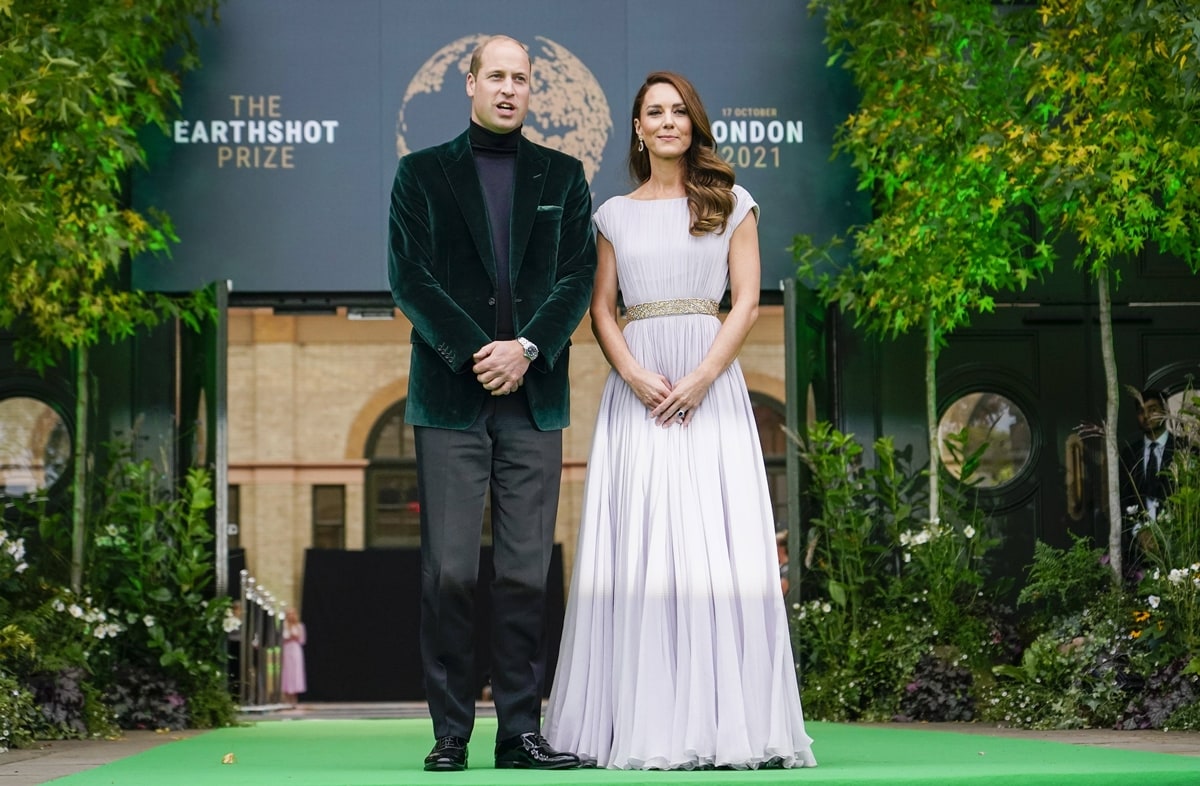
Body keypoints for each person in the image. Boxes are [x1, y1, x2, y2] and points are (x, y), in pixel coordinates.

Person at [542, 71, 817, 770]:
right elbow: (601, 307)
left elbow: (748, 302)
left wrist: (699, 380)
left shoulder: (732, 203)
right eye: (653, 112)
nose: (667, 122)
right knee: (642, 546)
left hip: (710, 387)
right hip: (636, 391)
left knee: (711, 547)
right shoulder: (611, 214)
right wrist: (633, 373)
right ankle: (639, 724)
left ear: (693, 123)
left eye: (677, 112)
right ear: (637, 128)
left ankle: (729, 726)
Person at [387, 34, 596, 772]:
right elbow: (411, 280)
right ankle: (450, 735)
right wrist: (483, 352)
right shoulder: (419, 174)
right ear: (469, 83)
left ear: (532, 90)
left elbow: (575, 280)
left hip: (534, 401)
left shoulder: (565, 176)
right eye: (496, 75)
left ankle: (520, 733)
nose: (509, 88)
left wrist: (527, 349)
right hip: (451, 398)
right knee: (447, 571)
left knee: (523, 574)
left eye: (522, 78)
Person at [1119, 389, 1177, 574]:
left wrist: (1167, 533)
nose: (1146, 416)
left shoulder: (1185, 449)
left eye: (1152, 409)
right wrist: (1139, 532)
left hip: (1179, 546)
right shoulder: (1128, 453)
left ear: (1165, 410)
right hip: (1138, 552)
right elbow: (1123, 499)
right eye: (1141, 411)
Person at [280, 607, 306, 705]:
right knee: (287, 672)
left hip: (295, 650)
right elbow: (281, 638)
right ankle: (286, 698)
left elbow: (302, 640)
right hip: (286, 649)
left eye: (292, 613)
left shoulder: (300, 626)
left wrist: (294, 635)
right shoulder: (284, 626)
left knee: (296, 672)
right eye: (289, 614)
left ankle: (294, 699)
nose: (291, 616)